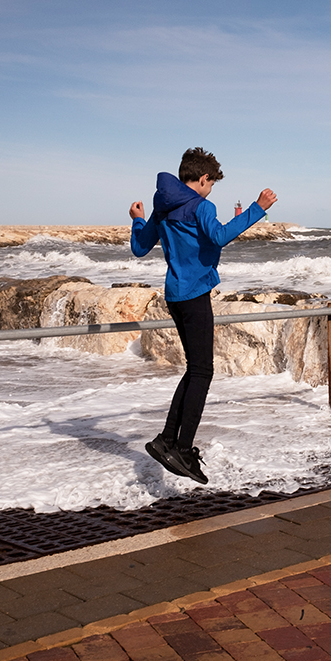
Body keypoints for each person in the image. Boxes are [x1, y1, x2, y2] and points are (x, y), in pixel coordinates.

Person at [129, 147, 277, 484]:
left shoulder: (162, 207)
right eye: (211, 184)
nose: (211, 191)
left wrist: (138, 219)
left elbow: (140, 247)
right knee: (203, 373)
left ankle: (167, 440)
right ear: (204, 179)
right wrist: (258, 209)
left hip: (175, 296)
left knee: (195, 370)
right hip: (195, 295)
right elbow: (220, 236)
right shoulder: (201, 205)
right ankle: (180, 447)